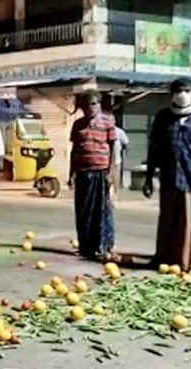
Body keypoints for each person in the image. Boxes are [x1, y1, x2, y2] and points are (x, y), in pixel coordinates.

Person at [144, 78, 191, 273]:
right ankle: (167, 258)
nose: (182, 94)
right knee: (170, 219)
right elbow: (154, 148)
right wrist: (149, 177)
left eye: (186, 90)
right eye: (178, 91)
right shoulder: (164, 116)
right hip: (170, 176)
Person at [69, 90, 117, 261]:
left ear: (99, 104)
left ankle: (104, 246)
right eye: (87, 104)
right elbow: (74, 151)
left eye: (94, 104)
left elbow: (113, 148)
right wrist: (71, 173)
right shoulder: (78, 125)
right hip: (83, 172)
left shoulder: (107, 122)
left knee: (102, 211)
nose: (91, 108)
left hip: (101, 171)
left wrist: (111, 173)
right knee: (83, 211)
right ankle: (86, 247)